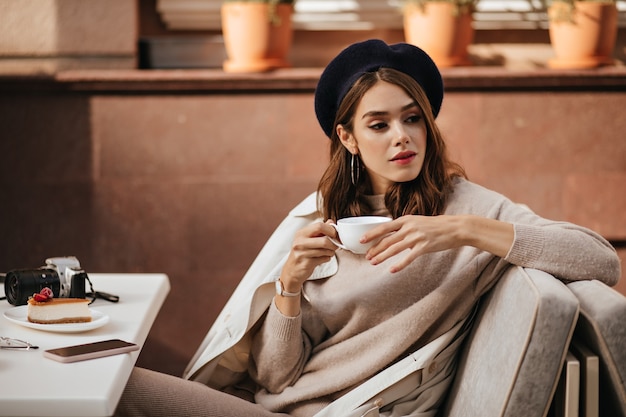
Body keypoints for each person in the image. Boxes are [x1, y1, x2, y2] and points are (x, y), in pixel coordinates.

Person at [115, 39, 621, 417]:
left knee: (114, 391)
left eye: (412, 119)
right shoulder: (324, 216)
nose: (402, 137)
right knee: (110, 385)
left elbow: (600, 259)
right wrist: (289, 285)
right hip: (277, 406)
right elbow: (275, 376)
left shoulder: (468, 207)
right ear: (348, 138)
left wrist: (459, 231)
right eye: (379, 124)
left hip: (351, 412)